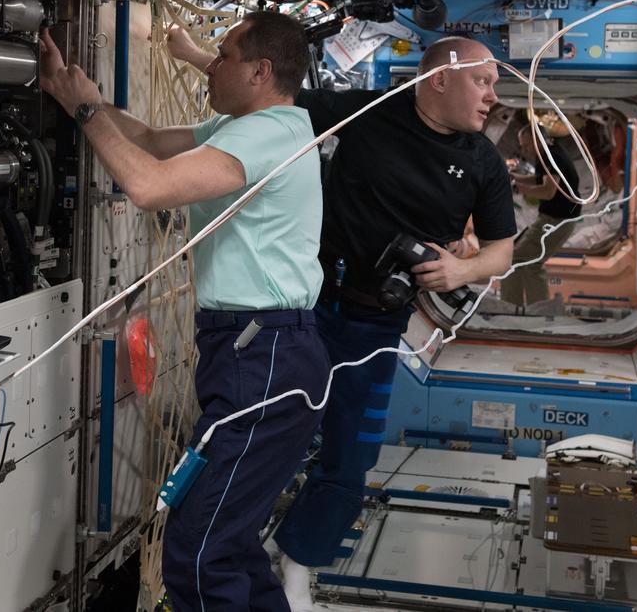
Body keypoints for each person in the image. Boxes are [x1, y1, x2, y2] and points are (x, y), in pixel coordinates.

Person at [166, 31, 516, 611]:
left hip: (377, 328)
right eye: (482, 81)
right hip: (304, 314)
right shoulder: (373, 110)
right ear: (438, 79)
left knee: (350, 460)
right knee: (266, 439)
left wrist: (460, 269)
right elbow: (273, 88)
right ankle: (235, 537)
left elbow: (501, 250)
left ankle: (299, 565)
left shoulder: (482, 163)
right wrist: (194, 56)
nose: (491, 96)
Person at [39, 12, 329, 612]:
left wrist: (90, 112)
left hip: (264, 358)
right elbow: (144, 140)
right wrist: (75, 98)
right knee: (228, 542)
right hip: (256, 352)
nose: (210, 65)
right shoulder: (252, 125)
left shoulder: (264, 134)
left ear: (260, 71)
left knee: (198, 551)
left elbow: (147, 185)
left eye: (222, 56)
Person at [501, 121, 582, 308]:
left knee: (518, 260)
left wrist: (520, 189)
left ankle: (513, 309)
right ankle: (531, 311)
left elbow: (548, 191)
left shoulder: (550, 156)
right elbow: (541, 179)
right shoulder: (552, 151)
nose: (524, 150)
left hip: (556, 221)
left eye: (526, 144)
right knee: (525, 260)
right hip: (559, 220)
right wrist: (514, 178)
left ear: (537, 139)